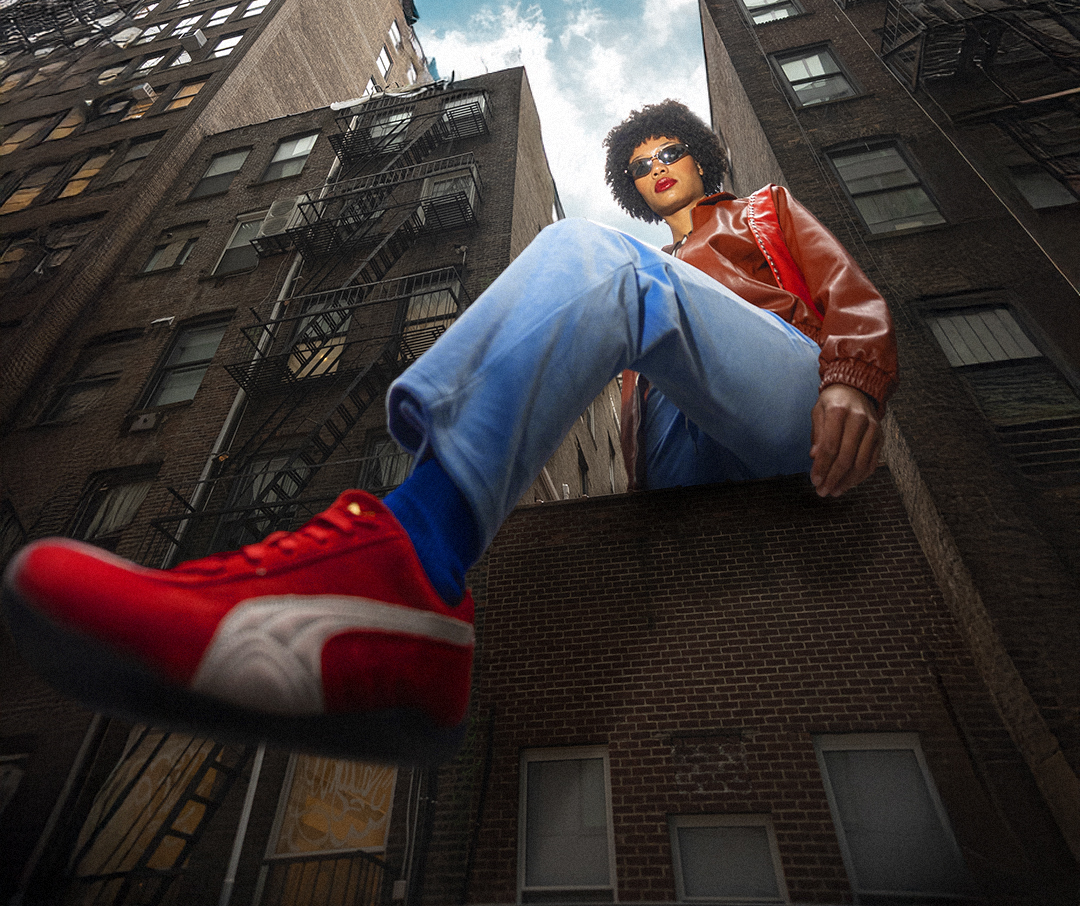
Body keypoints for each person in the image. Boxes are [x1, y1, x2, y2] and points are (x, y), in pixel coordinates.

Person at [3, 100, 896, 767]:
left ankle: (410, 559)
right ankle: (392, 591)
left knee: (591, 260)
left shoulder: (760, 216)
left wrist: (854, 377)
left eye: (671, 152)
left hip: (801, 413)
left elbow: (850, 295)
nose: (659, 166)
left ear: (702, 159)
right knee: (604, 277)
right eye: (642, 162)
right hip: (699, 475)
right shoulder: (649, 285)